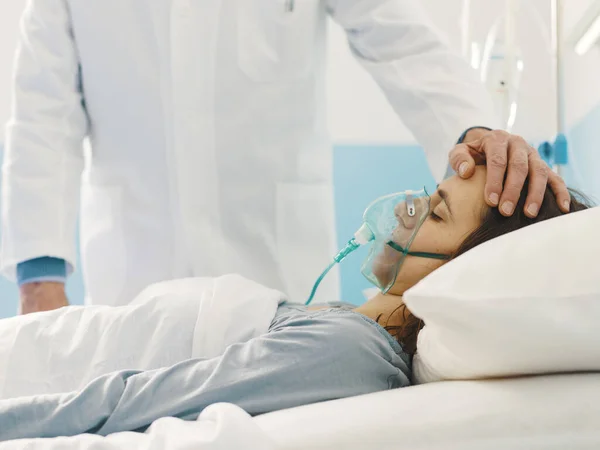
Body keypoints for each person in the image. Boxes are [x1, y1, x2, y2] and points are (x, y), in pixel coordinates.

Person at [1, 1, 570, 314]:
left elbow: (404, 43)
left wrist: (473, 137)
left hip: (278, 274)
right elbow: (41, 111)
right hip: (136, 273)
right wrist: (39, 278)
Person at [0, 167, 588, 441]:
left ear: (458, 275)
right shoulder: (347, 320)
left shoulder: (350, 349)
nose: (405, 207)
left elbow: (142, 399)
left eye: (432, 212)